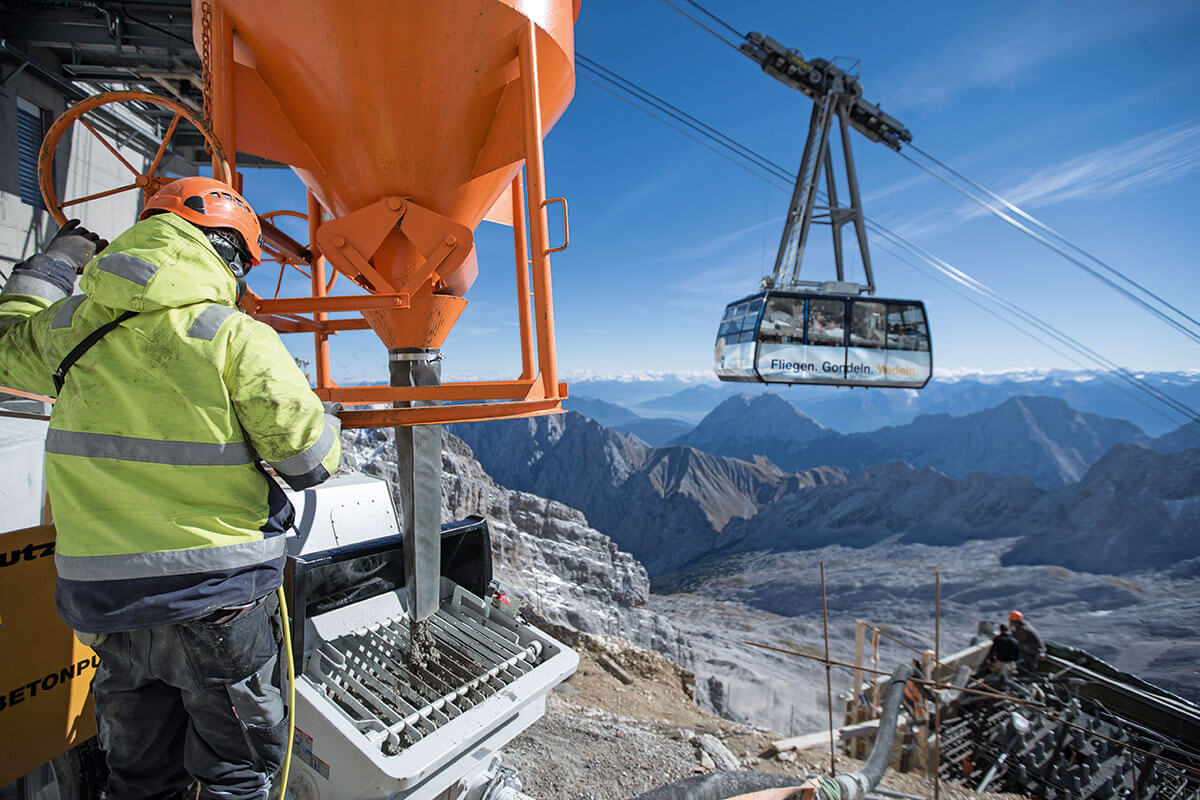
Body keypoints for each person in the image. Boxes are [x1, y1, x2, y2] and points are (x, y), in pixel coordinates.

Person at [0, 177, 341, 800]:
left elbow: (2, 344)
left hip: (107, 605)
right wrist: (328, 418)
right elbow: (309, 464)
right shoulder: (235, 337)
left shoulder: (70, 329)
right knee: (237, 774)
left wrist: (57, 261)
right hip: (220, 596)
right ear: (229, 255)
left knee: (140, 778)